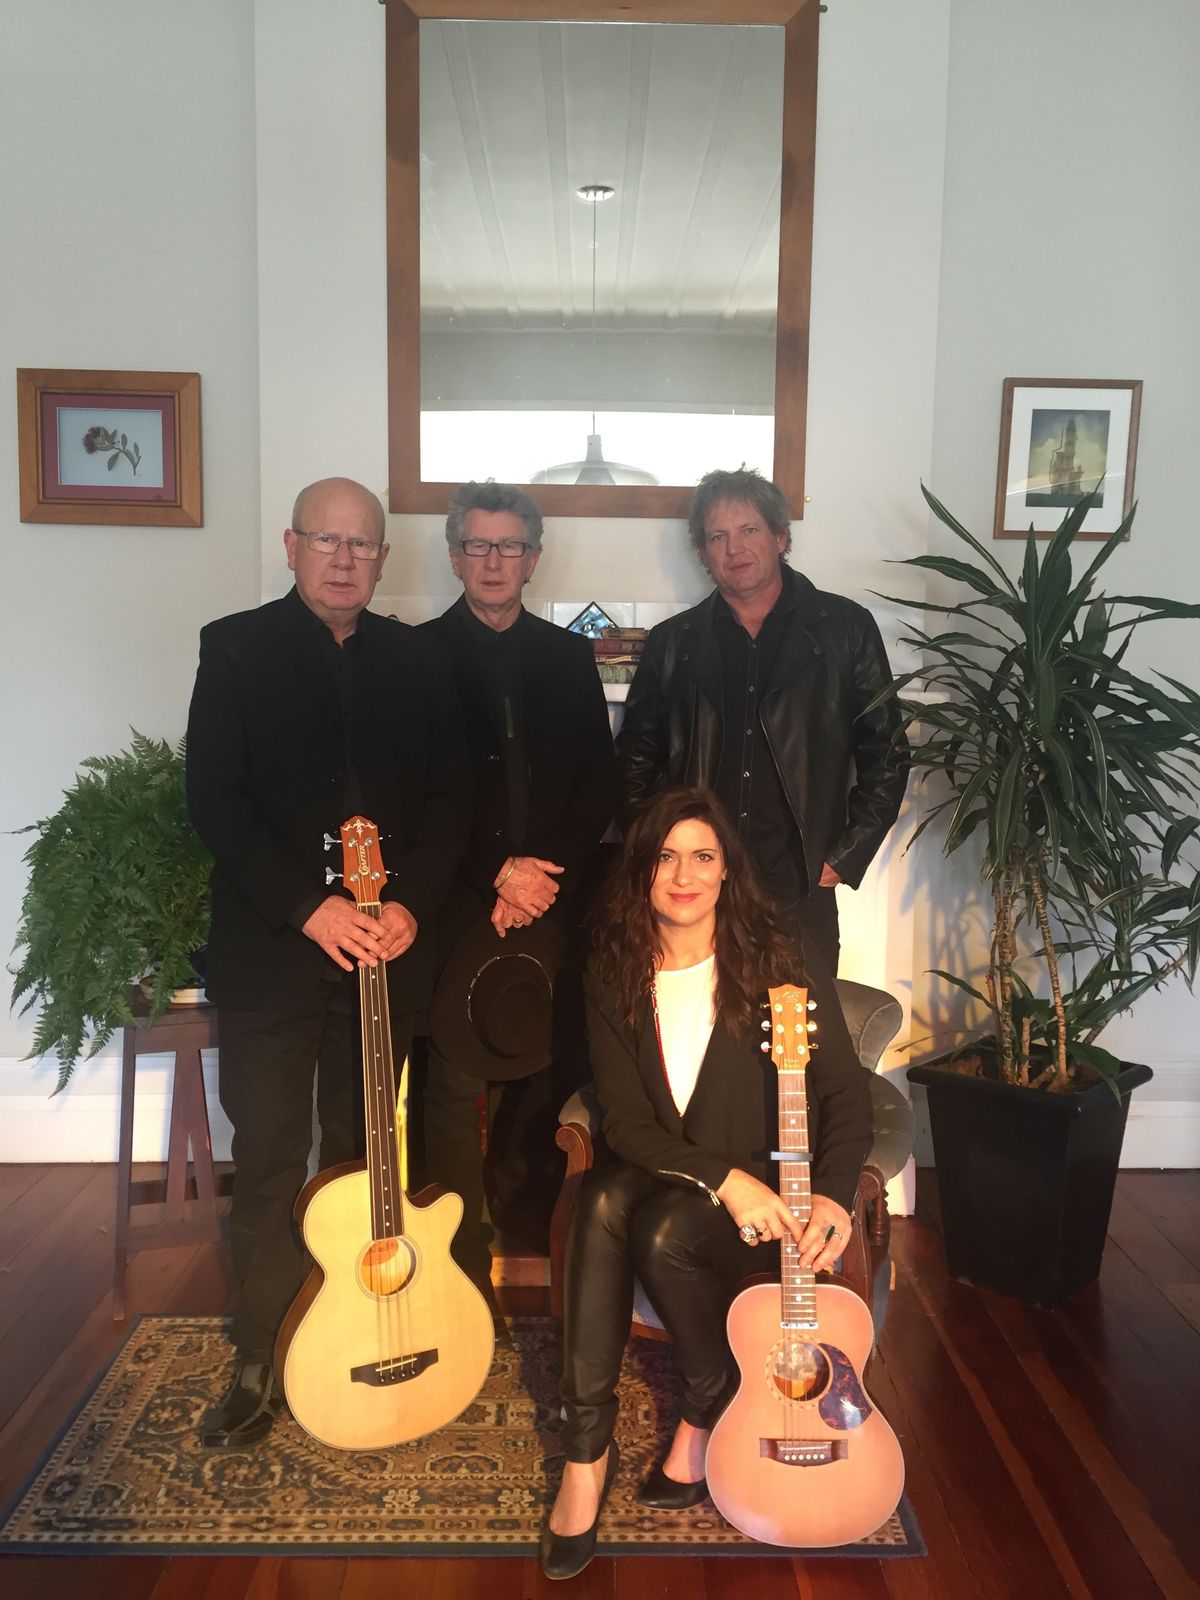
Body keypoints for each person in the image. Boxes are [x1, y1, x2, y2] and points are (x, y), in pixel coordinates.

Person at [185, 476, 471, 1449]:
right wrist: (310, 909)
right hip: (272, 952)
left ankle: (353, 1322)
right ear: (292, 545)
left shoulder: (420, 660)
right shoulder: (234, 647)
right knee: (271, 1154)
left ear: (382, 558)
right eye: (326, 541)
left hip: (383, 957)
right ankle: (259, 1353)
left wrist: (410, 904)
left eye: (362, 545)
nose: (345, 559)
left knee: (364, 1155)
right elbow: (216, 801)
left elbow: (452, 800)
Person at [541, 785, 873, 1580]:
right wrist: (722, 1179)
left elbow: (843, 1092)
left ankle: (704, 1401)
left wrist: (831, 1192)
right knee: (603, 1196)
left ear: (727, 870)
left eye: (702, 856)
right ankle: (586, 1454)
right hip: (681, 1175)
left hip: (766, 1197)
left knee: (653, 1225)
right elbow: (626, 1122)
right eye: (664, 857)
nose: (683, 875)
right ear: (641, 871)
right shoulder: (612, 969)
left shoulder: (778, 955)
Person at [418, 480, 618, 1291]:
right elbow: (417, 791)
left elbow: (598, 785)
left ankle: (530, 1223)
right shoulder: (416, 656)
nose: (493, 561)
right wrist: (497, 871)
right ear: (454, 555)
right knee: (453, 1071)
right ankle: (454, 1250)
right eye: (478, 545)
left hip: (552, 895)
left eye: (509, 546)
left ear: (533, 559)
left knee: (541, 1059)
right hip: (456, 894)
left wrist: (537, 877)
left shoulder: (568, 656)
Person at [616, 468, 908, 975]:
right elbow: (634, 758)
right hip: (697, 885)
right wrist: (658, 856)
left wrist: (844, 855)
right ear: (703, 554)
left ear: (780, 537)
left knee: (802, 1019)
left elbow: (886, 750)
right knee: (696, 1015)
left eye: (749, 529)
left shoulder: (845, 629)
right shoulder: (673, 642)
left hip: (800, 882)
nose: (735, 548)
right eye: (718, 537)